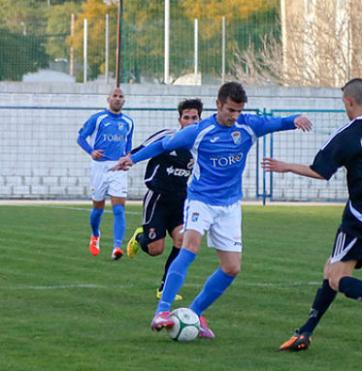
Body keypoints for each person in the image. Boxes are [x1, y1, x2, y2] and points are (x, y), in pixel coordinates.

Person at [112, 81, 312, 339]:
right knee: (189, 245)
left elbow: (280, 123)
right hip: (200, 200)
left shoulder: (248, 125)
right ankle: (162, 311)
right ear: (218, 105)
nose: (234, 116)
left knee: (232, 268)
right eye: (230, 110)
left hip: (229, 206)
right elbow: (163, 145)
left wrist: (297, 118)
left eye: (238, 111)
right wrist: (132, 159)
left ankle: (195, 313)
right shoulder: (199, 131)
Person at [261, 78, 362, 352]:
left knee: (336, 276)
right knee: (332, 270)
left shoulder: (347, 135)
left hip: (359, 216)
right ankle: (304, 332)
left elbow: (319, 171)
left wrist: (287, 166)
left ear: (348, 102)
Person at [125, 98, 204, 302]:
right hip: (158, 197)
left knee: (181, 239)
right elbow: (144, 148)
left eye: (194, 117)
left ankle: (164, 287)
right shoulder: (168, 136)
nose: (190, 121)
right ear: (180, 120)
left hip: (181, 200)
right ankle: (141, 237)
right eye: (186, 117)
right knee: (155, 250)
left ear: (199, 119)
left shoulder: (200, 146)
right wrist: (128, 159)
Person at [77, 87, 135, 260]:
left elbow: (128, 144)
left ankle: (117, 247)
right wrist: (91, 151)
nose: (118, 99)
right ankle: (95, 234)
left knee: (119, 209)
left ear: (124, 100)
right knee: (98, 209)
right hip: (99, 167)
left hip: (118, 168)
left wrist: (127, 157)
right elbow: (80, 138)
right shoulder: (98, 119)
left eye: (121, 96)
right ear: (108, 99)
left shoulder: (128, 122)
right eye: (115, 96)